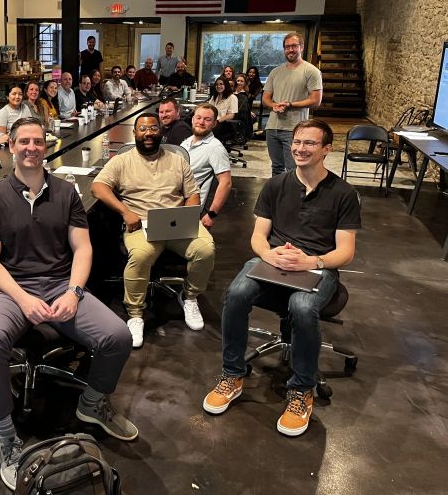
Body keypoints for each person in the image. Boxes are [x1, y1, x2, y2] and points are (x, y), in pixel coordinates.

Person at [0, 117, 138, 490]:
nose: (31, 148)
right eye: (24, 142)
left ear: (45, 146)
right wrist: (22, 297)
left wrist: (74, 292)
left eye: (38, 141)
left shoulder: (67, 193)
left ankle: (92, 403)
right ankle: (6, 438)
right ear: (11, 147)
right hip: (10, 289)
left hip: (59, 285)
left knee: (117, 335)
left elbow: (83, 248)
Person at [202, 119, 360, 437]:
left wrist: (310, 260)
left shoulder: (343, 193)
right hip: (274, 261)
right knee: (236, 293)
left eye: (309, 143)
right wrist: (268, 254)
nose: (300, 148)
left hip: (318, 267)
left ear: (327, 149)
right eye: (297, 142)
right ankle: (232, 374)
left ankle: (302, 390)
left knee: (302, 306)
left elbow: (346, 252)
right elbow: (259, 237)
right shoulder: (276, 185)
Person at [92, 113, 216, 345]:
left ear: (160, 132)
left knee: (205, 249)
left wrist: (189, 215)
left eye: (153, 129)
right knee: (140, 255)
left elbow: (192, 194)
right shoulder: (122, 161)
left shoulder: (177, 159)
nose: (148, 133)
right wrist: (125, 212)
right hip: (141, 223)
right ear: (135, 133)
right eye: (143, 129)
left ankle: (189, 297)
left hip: (176, 222)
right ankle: (136, 314)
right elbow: (98, 187)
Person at [263, 33, 323, 176]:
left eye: (294, 46)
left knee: (294, 169)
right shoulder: (275, 72)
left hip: (295, 129)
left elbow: (316, 101)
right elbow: (266, 98)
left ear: (301, 47)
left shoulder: (311, 71)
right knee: (276, 168)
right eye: (287, 47)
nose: (290, 50)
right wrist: (273, 105)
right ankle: (277, 196)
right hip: (272, 127)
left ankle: (294, 198)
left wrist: (290, 104)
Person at [180, 104, 232, 228]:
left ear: (214, 124)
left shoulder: (215, 148)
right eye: (198, 118)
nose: (201, 122)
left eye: (207, 119)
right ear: (192, 120)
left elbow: (226, 183)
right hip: (174, 200)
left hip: (189, 208)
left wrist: (212, 214)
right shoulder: (187, 142)